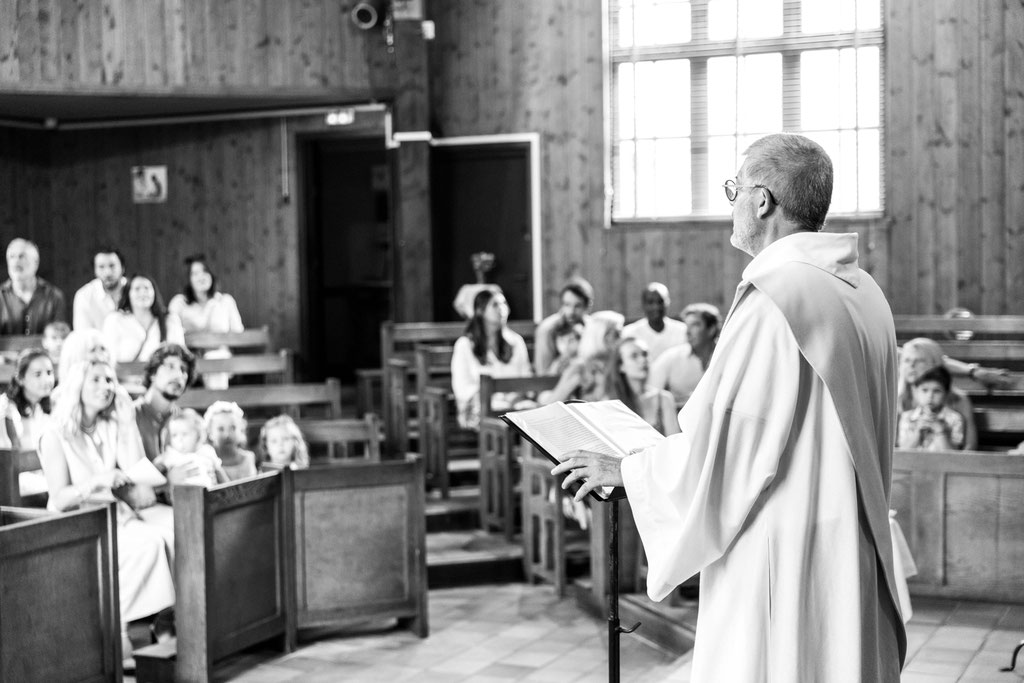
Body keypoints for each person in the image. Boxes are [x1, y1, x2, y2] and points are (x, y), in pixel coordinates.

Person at [554, 134, 905, 681]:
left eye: (734, 188)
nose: (732, 202)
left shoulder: (775, 300)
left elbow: (730, 450)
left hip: (786, 558)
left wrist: (629, 469)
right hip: (848, 547)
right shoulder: (863, 292)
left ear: (762, 200)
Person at [37, 359, 175, 657]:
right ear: (78, 386)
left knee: (176, 529)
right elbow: (60, 498)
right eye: (97, 380)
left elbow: (136, 468)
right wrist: (98, 481)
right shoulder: (55, 434)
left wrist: (127, 426)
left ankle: (166, 620)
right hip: (78, 522)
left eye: (110, 380)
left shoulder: (110, 425)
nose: (107, 387)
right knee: (148, 544)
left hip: (115, 515)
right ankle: (119, 629)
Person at [451, 289, 533, 430]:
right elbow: (462, 388)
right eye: (495, 305)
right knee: (498, 416)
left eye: (504, 304)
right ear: (480, 311)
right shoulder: (465, 345)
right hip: (479, 406)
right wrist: (499, 398)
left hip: (514, 403)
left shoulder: (516, 341)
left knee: (534, 412)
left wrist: (515, 396)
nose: (502, 309)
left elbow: (525, 376)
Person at [167, 255, 243, 389]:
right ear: (189, 279)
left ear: (212, 275)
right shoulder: (179, 303)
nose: (201, 277)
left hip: (220, 357)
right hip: (189, 357)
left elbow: (238, 333)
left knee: (215, 359)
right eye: (195, 273)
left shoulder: (225, 301)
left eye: (205, 271)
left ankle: (218, 407)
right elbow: (170, 330)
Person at [897, 337, 978, 450]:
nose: (911, 366)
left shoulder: (959, 399)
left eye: (919, 360)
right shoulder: (897, 399)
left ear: (935, 364)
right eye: (907, 360)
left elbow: (970, 448)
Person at [603, 337, 680, 436]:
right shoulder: (610, 402)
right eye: (634, 356)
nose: (643, 359)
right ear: (621, 366)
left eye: (645, 354)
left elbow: (674, 444)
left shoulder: (664, 399)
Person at [649, 303, 721, 406]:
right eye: (687, 325)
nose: (688, 332)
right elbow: (650, 393)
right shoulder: (671, 357)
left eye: (695, 325)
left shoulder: (729, 357)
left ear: (711, 329)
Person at [102, 274, 186, 364]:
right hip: (123, 376)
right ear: (128, 294)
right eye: (137, 289)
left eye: (147, 288)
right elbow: (107, 357)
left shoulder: (170, 320)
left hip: (161, 376)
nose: (143, 292)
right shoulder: (114, 320)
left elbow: (180, 355)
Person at [135, 343, 196, 464]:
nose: (178, 375)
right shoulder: (130, 415)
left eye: (183, 370)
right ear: (153, 373)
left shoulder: (184, 420)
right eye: (170, 366)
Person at [0, 238, 66, 335]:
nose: (16, 262)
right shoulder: (1, 296)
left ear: (36, 262)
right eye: (11, 257)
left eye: (21, 256)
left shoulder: (54, 296)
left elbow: (60, 338)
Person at [896, 366, 966, 451]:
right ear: (916, 392)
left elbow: (953, 457)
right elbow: (902, 453)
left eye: (937, 391)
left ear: (946, 394)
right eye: (924, 390)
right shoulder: (907, 417)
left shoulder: (954, 418)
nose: (930, 396)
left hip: (942, 464)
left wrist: (941, 432)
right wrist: (918, 432)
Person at [533, 278, 594, 374]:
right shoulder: (547, 329)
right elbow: (543, 373)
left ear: (587, 306)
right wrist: (568, 353)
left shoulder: (592, 327)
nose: (571, 312)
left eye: (577, 306)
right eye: (567, 305)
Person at [154, 408, 227, 487]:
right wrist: (167, 477)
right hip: (181, 496)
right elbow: (154, 470)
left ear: (198, 435)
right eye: (174, 435)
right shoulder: (170, 455)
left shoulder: (206, 451)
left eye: (184, 434)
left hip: (209, 494)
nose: (179, 439)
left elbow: (220, 474)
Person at [621, 283, 687, 361]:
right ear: (643, 305)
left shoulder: (683, 331)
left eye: (660, 301)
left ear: (668, 302)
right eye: (650, 302)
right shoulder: (629, 333)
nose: (656, 307)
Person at [72, 247, 126, 332]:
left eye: (112, 266)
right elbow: (83, 335)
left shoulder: (134, 290)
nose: (107, 272)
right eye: (101, 267)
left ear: (122, 268)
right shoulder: (84, 295)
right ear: (95, 271)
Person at [204, 401, 257, 480]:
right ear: (210, 432)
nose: (227, 435)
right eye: (220, 429)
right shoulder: (207, 460)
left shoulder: (248, 458)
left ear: (241, 430)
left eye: (233, 428)